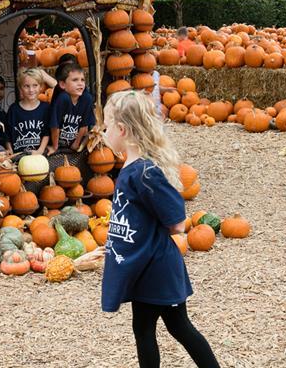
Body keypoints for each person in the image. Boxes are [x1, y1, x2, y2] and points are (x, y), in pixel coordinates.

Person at [101, 90, 220, 368]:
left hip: (158, 269)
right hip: (143, 268)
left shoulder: (145, 173)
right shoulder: (131, 169)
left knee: (179, 327)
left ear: (122, 129)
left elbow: (177, 221)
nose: (103, 131)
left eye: (106, 125)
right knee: (143, 330)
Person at [47, 62, 95, 154]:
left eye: (82, 80)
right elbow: (54, 125)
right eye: (75, 80)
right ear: (63, 85)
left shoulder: (86, 99)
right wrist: (55, 146)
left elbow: (84, 125)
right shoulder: (62, 98)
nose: (80, 83)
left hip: (73, 142)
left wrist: (76, 143)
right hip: (58, 142)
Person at [4, 69, 50, 156]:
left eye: (35, 85)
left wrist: (40, 151)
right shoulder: (13, 109)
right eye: (26, 86)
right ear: (20, 88)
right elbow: (7, 134)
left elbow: (47, 132)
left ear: (41, 87)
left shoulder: (46, 108)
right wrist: (9, 150)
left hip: (39, 156)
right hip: (19, 156)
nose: (31, 90)